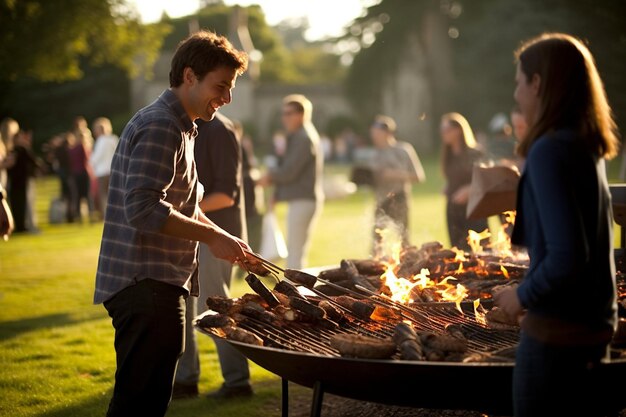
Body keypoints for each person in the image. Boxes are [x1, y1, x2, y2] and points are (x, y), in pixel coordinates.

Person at [94, 30, 252, 417]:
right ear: (189, 76)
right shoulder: (162, 125)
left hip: (157, 286)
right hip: (144, 287)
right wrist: (212, 235)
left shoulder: (183, 127)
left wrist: (224, 237)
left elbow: (182, 203)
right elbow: (144, 209)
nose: (227, 98)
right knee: (138, 406)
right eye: (221, 86)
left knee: (148, 402)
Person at [493, 32, 620, 417]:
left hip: (556, 339)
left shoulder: (549, 149)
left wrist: (521, 295)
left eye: (519, 82)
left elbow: (567, 256)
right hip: (593, 330)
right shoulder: (586, 145)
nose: (515, 94)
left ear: (537, 83)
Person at [173, 112, 252, 400]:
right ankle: (184, 380)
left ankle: (238, 382)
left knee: (215, 307)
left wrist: (182, 213)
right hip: (192, 232)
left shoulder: (220, 130)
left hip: (218, 235)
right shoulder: (187, 126)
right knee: (183, 310)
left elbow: (226, 194)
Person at [257, 94, 324, 269]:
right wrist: (276, 193)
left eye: (289, 113)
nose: (284, 118)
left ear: (301, 115)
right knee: (296, 253)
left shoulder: (303, 137)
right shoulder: (299, 136)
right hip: (301, 199)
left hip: (304, 200)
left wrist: (268, 177)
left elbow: (289, 172)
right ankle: (297, 291)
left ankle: (296, 293)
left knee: (295, 255)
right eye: (283, 113)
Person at [368, 114, 426, 256]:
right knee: (377, 240)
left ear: (387, 133)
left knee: (403, 238)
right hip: (381, 200)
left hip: (399, 198)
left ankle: (407, 267)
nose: (374, 136)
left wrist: (393, 174)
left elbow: (418, 176)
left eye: (376, 132)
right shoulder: (374, 154)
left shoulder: (403, 150)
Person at [439, 112, 489, 251]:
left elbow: (486, 179)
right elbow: (453, 176)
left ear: (459, 130)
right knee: (458, 251)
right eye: (442, 130)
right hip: (453, 208)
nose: (444, 134)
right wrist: (449, 186)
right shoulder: (448, 155)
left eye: (447, 130)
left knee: (481, 251)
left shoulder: (475, 153)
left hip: (474, 207)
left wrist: (469, 189)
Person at [89, 117, 119, 218]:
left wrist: (90, 163)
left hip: (102, 172)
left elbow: (96, 157)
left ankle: (107, 215)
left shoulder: (101, 141)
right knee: (113, 194)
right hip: (113, 171)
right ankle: (115, 213)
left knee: (103, 195)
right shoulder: (114, 139)